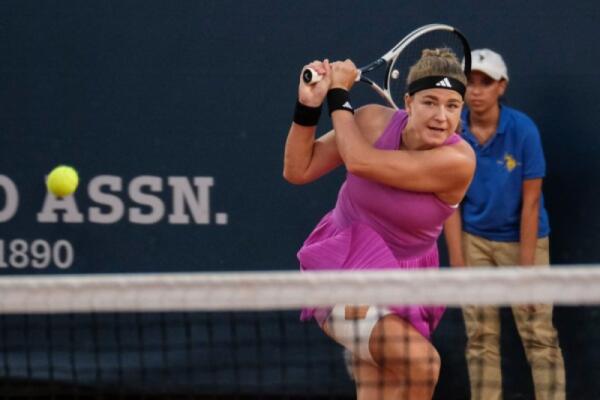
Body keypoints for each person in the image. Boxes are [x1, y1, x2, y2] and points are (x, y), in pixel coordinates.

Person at [283, 49, 475, 400]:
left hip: (408, 282)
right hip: (342, 268)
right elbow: (298, 169)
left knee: (382, 391)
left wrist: (338, 95)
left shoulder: (458, 161)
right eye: (430, 102)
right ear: (408, 102)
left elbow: (361, 162)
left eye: (452, 106)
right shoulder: (372, 122)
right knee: (423, 365)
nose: (441, 116)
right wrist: (309, 105)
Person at [443, 48, 566, 400]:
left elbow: (531, 202)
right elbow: (450, 202)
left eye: (486, 82)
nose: (476, 90)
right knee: (480, 337)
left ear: (502, 87)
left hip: (525, 242)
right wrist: (458, 261)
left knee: (540, 336)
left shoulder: (523, 131)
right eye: (470, 82)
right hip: (474, 242)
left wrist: (526, 271)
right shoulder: (452, 132)